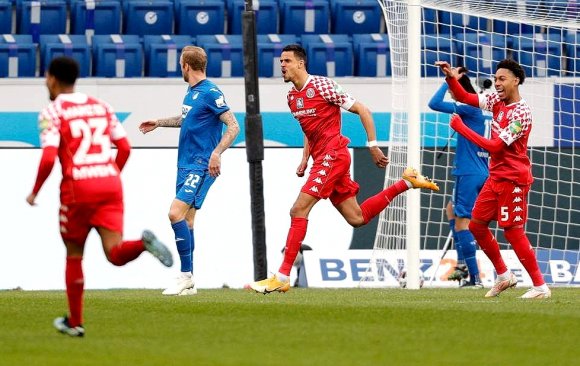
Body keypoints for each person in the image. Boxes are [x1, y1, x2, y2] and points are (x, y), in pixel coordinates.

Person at [246, 44, 439, 294]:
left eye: (286, 61)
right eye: (280, 61)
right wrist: (305, 158)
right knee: (356, 218)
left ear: (301, 63)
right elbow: (310, 130)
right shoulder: (292, 97)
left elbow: (363, 109)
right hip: (322, 158)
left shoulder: (323, 86)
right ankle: (408, 182)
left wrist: (372, 145)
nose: (281, 65)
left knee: (298, 209)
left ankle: (282, 276)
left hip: (334, 155)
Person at [26, 57, 173, 338]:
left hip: (77, 189)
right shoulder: (101, 106)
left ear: (53, 79)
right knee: (115, 253)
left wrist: (35, 191)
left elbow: (47, 158)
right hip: (109, 185)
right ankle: (142, 244)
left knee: (74, 255)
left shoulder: (52, 111)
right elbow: (125, 147)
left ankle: (76, 322)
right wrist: (109, 175)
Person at [435, 59, 551, 299]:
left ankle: (540, 287)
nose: (497, 83)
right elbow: (466, 98)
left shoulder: (522, 112)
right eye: (495, 78)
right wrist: (450, 78)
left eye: (502, 79)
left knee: (513, 232)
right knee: (476, 225)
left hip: (513, 179)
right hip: (495, 176)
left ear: (516, 80)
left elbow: (496, 146)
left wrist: (462, 129)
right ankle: (503, 275)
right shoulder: (496, 101)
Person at [139, 46, 240, 296]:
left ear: (186, 65)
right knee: (187, 220)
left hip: (201, 164)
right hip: (185, 163)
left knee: (174, 213)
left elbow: (234, 125)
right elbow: (187, 120)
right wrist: (159, 123)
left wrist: (216, 154)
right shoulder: (192, 92)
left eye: (180, 64)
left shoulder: (210, 92)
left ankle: (184, 276)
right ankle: (190, 281)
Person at [428, 67, 489, 288]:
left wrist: (448, 80)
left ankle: (474, 277)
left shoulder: (469, 107)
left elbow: (433, 103)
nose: (452, 95)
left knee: (464, 223)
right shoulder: (481, 110)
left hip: (469, 171)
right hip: (480, 169)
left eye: (454, 91)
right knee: (451, 210)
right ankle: (463, 265)